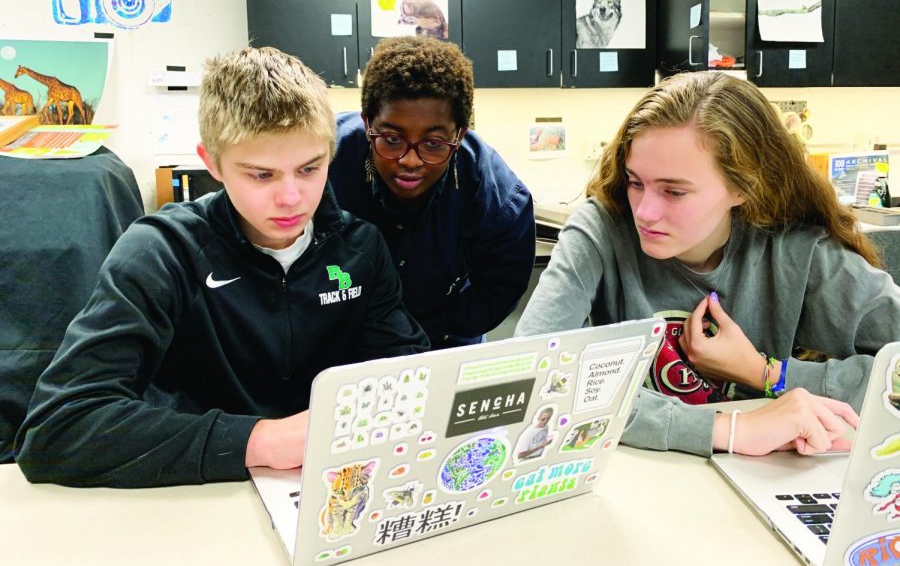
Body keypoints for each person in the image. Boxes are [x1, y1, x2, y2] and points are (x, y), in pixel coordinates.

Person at [14, 47, 429, 487]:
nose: (291, 198)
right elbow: (57, 429)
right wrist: (260, 440)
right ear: (212, 162)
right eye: (261, 175)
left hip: (329, 486)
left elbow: (409, 376)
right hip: (199, 495)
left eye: (309, 168)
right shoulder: (160, 252)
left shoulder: (360, 247)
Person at [516, 70, 900, 457]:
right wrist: (731, 430)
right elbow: (531, 375)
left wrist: (766, 373)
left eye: (674, 191)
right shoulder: (600, 228)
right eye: (635, 182)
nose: (644, 212)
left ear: (743, 186)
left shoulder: (798, 249)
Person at [329, 36, 535, 350]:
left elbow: (498, 292)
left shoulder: (500, 198)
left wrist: (423, 333)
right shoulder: (321, 161)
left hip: (444, 336)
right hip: (342, 334)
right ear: (367, 122)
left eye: (434, 144)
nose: (409, 161)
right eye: (391, 139)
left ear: (460, 133)